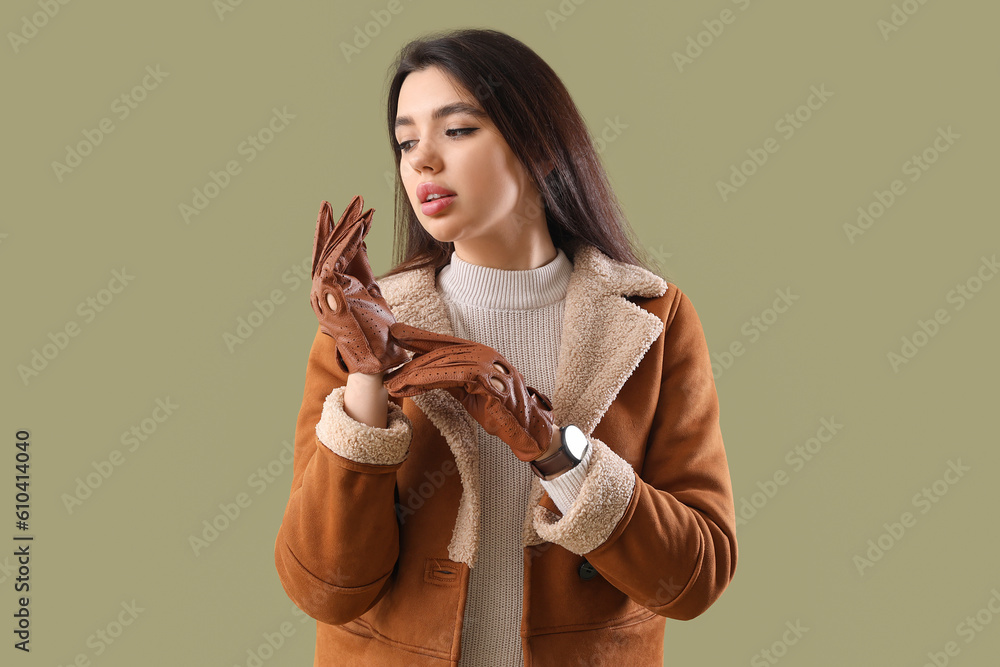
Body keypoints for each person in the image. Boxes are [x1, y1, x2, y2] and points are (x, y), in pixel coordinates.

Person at [274, 28, 738, 667]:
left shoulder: (652, 321)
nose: (422, 161)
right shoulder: (365, 324)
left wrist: (557, 453)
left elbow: (695, 578)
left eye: (457, 130)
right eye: (406, 141)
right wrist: (366, 380)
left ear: (540, 145)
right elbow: (322, 587)